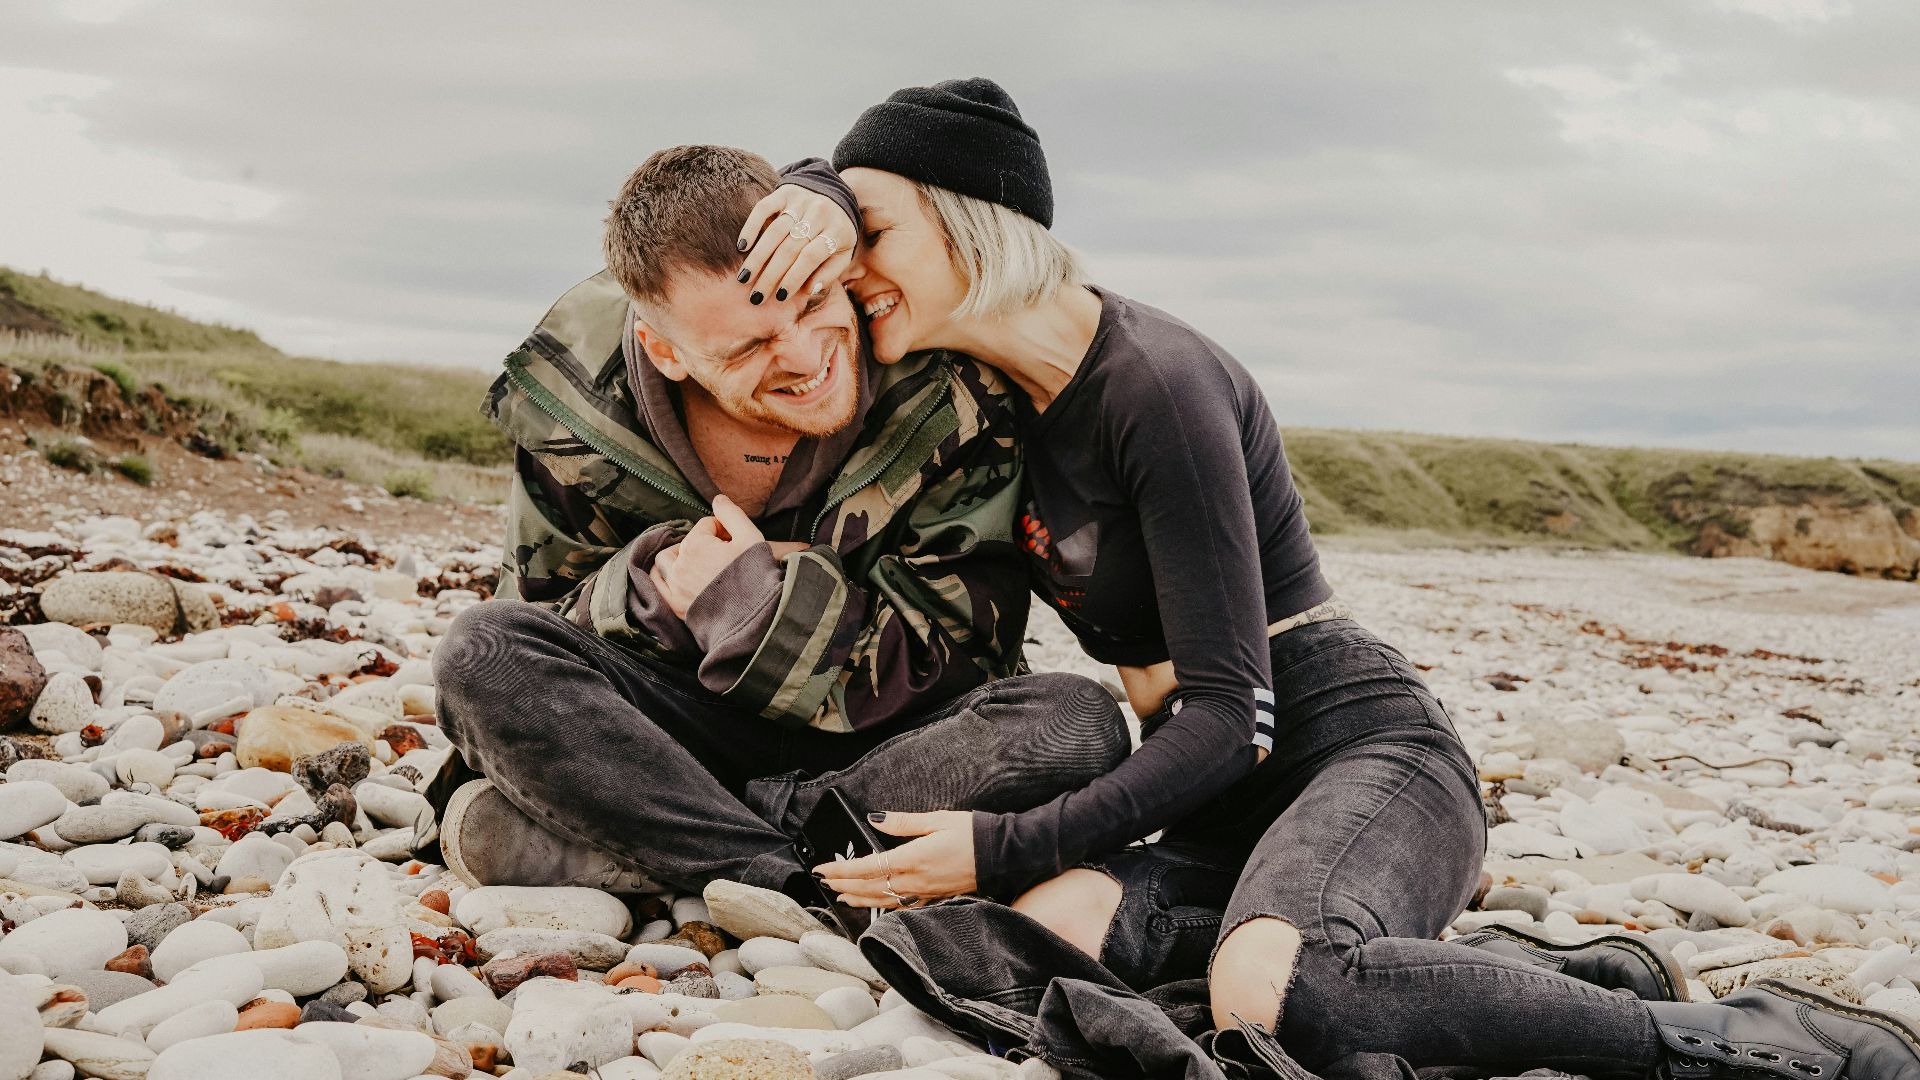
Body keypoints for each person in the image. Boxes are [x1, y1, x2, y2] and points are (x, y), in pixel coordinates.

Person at [733, 79, 1920, 1078]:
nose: (846, 271)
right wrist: (825, 187)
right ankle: (1532, 975)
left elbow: (1231, 721)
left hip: (1353, 750)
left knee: (1274, 988)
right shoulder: (999, 398)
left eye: (868, 235)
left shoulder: (1158, 382)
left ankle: (1734, 1037)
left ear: (970, 217)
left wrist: (1002, 842)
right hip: (1207, 796)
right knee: (1047, 933)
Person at [422, 144, 1130, 909]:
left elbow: (962, 654)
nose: (805, 357)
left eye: (814, 302)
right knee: (481, 652)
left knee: (1076, 722)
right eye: (751, 346)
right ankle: (801, 875)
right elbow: (543, 625)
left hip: (883, 743)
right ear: (667, 352)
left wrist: (754, 606)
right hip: (670, 733)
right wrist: (650, 586)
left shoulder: (942, 388)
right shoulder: (575, 405)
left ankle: (684, 850)